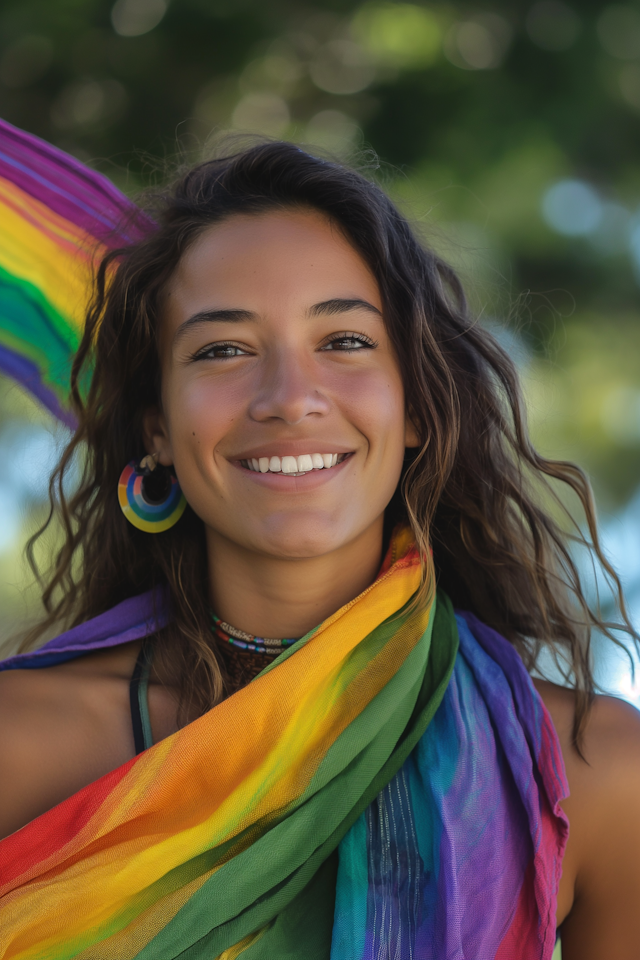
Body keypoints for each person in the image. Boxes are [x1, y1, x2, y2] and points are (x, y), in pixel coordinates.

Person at [0, 136, 639, 960]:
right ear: (156, 428)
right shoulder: (20, 742)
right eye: (222, 350)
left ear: (417, 407)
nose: (290, 399)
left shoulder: (591, 775)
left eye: (344, 342)